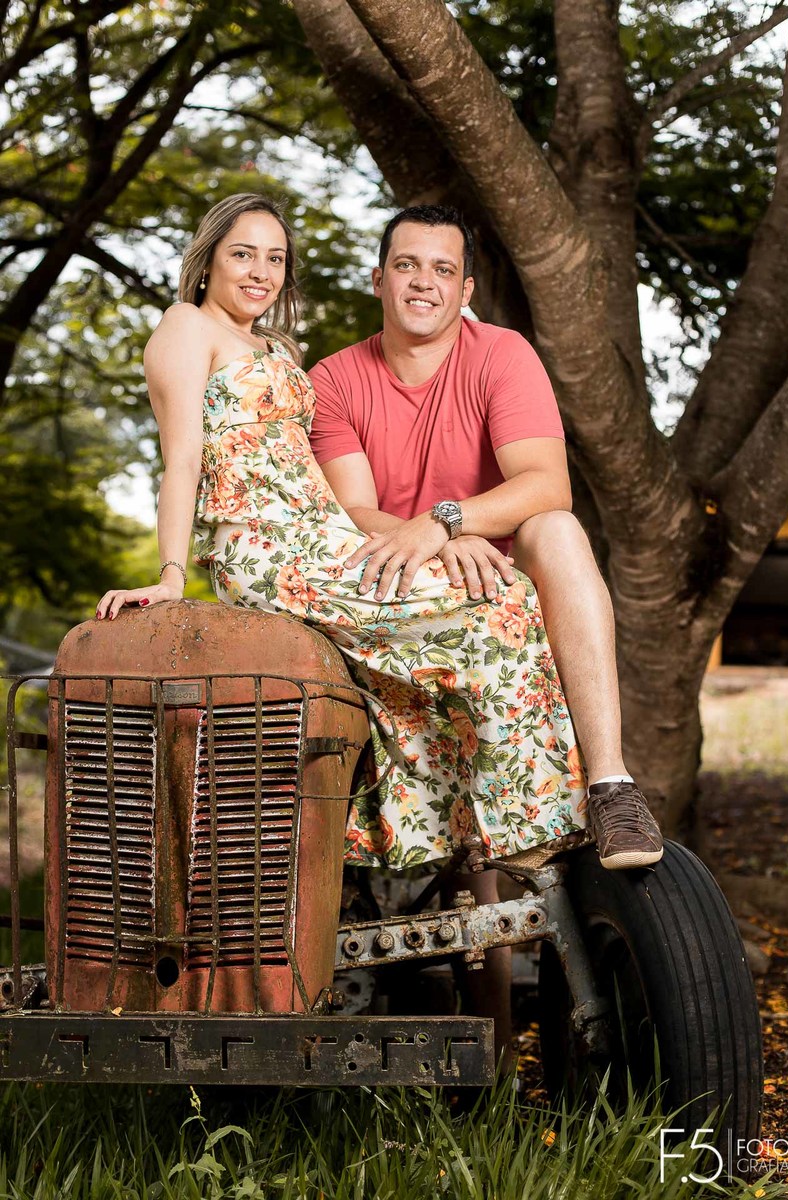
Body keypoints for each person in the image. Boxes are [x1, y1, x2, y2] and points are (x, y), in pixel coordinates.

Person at [95, 193, 591, 877]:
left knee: (476, 622)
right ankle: (535, 830)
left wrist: (443, 538)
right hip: (269, 546)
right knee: (498, 611)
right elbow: (181, 458)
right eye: (242, 253)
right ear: (207, 260)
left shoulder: (276, 347)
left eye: (275, 258)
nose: (260, 271)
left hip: (325, 535)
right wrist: (173, 574)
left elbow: (334, 485)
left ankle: (439, 842)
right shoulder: (186, 327)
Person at [307, 204, 663, 873]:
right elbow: (352, 508)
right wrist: (437, 542)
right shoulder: (333, 379)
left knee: (557, 528)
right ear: (379, 277)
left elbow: (547, 483)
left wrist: (448, 522)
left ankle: (612, 786)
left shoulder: (502, 354)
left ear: (465, 291)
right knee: (471, 890)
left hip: (495, 569)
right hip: (394, 586)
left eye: (443, 269)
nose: (423, 282)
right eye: (406, 264)